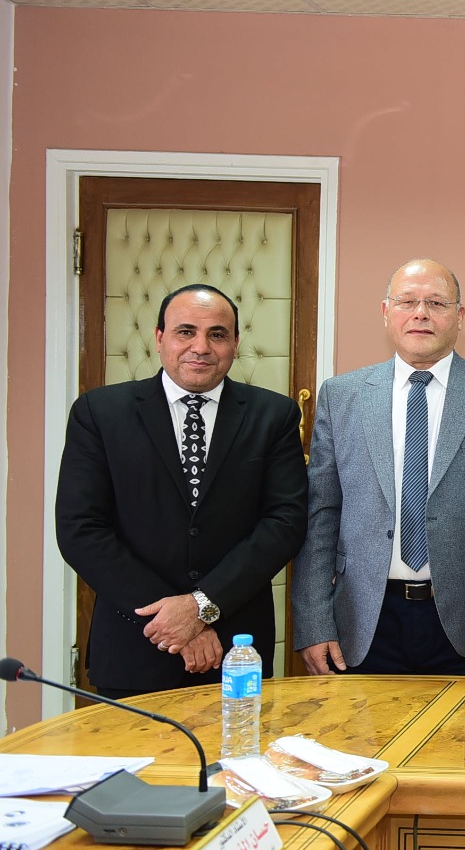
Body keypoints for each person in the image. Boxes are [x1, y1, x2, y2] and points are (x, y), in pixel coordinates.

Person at [292, 259, 465, 676]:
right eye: (407, 301)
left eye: (437, 303)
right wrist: (314, 621)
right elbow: (321, 513)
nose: (421, 313)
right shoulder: (342, 395)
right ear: (386, 312)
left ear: (459, 316)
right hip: (362, 620)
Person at [55, 284, 307, 698]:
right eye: (185, 331)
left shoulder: (274, 415)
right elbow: (80, 528)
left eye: (217, 334)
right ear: (159, 338)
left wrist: (202, 606)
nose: (201, 347)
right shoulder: (99, 413)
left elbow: (285, 523)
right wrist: (174, 619)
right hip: (134, 644)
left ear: (235, 343)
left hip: (235, 649)